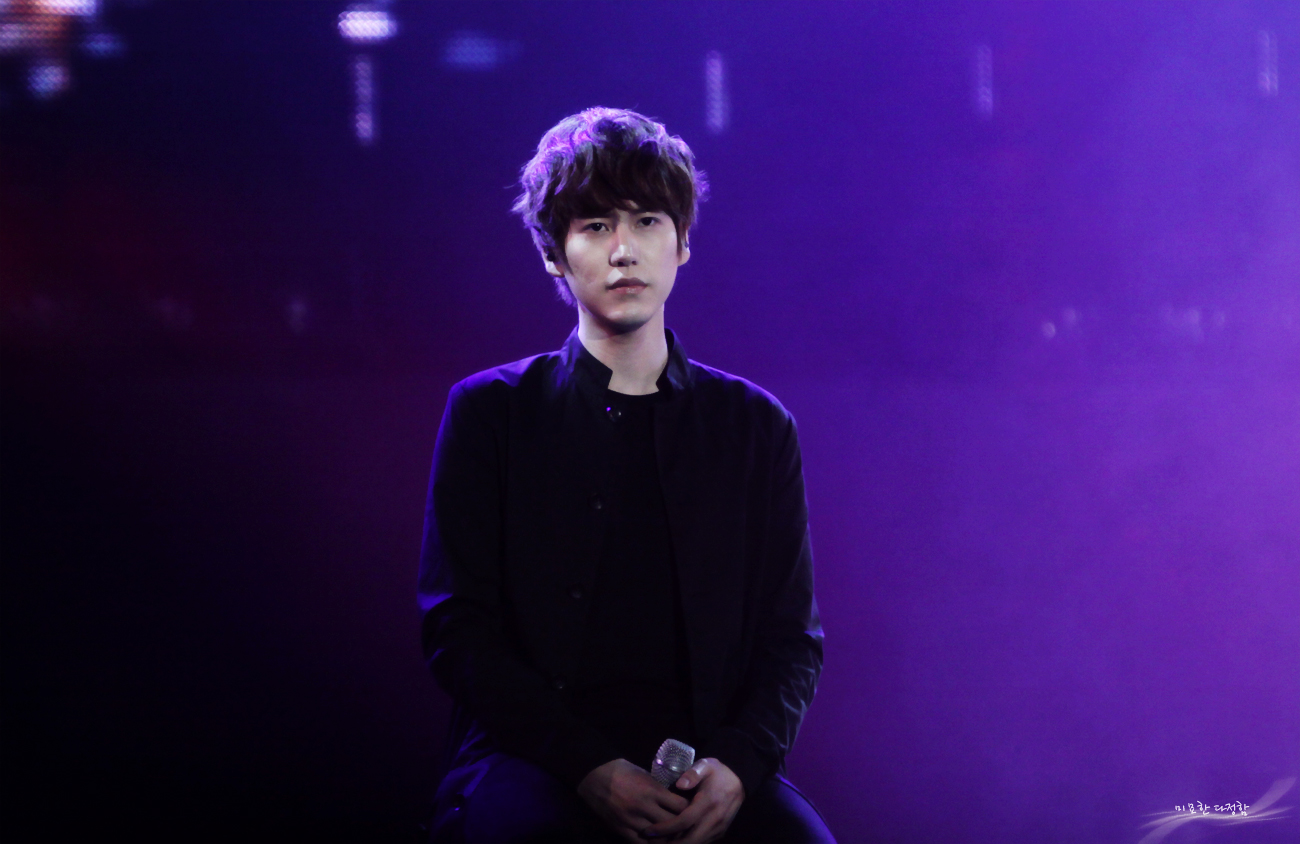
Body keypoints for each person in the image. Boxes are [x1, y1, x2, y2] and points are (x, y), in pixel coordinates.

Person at [418, 107, 833, 843]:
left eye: (646, 221)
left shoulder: (755, 426)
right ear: (554, 253)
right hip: (537, 755)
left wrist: (739, 766)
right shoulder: (490, 412)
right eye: (595, 225)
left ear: (682, 242)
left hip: (709, 761)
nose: (623, 251)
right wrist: (590, 767)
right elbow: (457, 627)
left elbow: (791, 639)